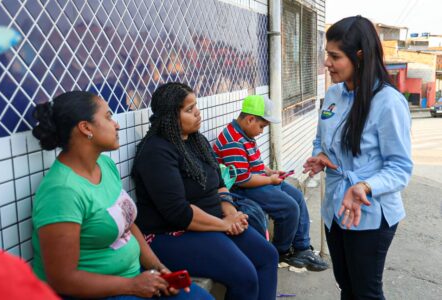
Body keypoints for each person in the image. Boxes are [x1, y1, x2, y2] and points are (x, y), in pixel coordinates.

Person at [31, 91, 213, 300]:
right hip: (98, 293)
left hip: (132, 279)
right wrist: (132, 285)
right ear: (86, 128)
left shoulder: (104, 165)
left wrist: (160, 270)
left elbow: (127, 222)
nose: (116, 124)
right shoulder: (61, 191)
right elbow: (62, 279)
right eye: (108, 117)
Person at [131, 82, 278, 300]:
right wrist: (223, 224)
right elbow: (178, 212)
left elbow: (219, 183)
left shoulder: (196, 140)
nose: (197, 113)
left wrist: (229, 212)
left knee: (267, 256)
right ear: (170, 116)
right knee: (244, 275)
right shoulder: (156, 152)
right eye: (189, 110)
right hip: (173, 234)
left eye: (195, 106)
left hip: (212, 222)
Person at [303, 16, 413, 300]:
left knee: (366, 293)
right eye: (327, 54)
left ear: (359, 56)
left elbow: (400, 168)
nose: (327, 63)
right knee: (346, 287)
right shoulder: (332, 94)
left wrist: (364, 186)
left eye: (334, 56)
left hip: (370, 214)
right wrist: (321, 156)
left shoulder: (388, 102)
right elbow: (321, 139)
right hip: (335, 210)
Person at [212, 94, 328, 272]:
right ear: (250, 119)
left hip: (258, 180)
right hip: (242, 189)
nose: (262, 131)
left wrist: (270, 172)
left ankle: (301, 248)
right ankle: (280, 251)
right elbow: (243, 179)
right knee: (288, 207)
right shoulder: (233, 140)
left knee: (297, 196)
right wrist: (270, 180)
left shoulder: (245, 133)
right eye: (261, 126)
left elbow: (255, 163)